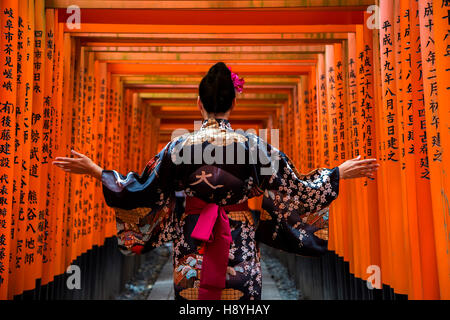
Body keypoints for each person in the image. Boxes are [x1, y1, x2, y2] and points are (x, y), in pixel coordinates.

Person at [53, 62, 379, 300]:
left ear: (199, 103)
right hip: (240, 243)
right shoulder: (255, 146)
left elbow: (143, 190)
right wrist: (338, 173)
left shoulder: (178, 147)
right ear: (234, 103)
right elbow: (297, 190)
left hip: (193, 243)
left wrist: (97, 171)